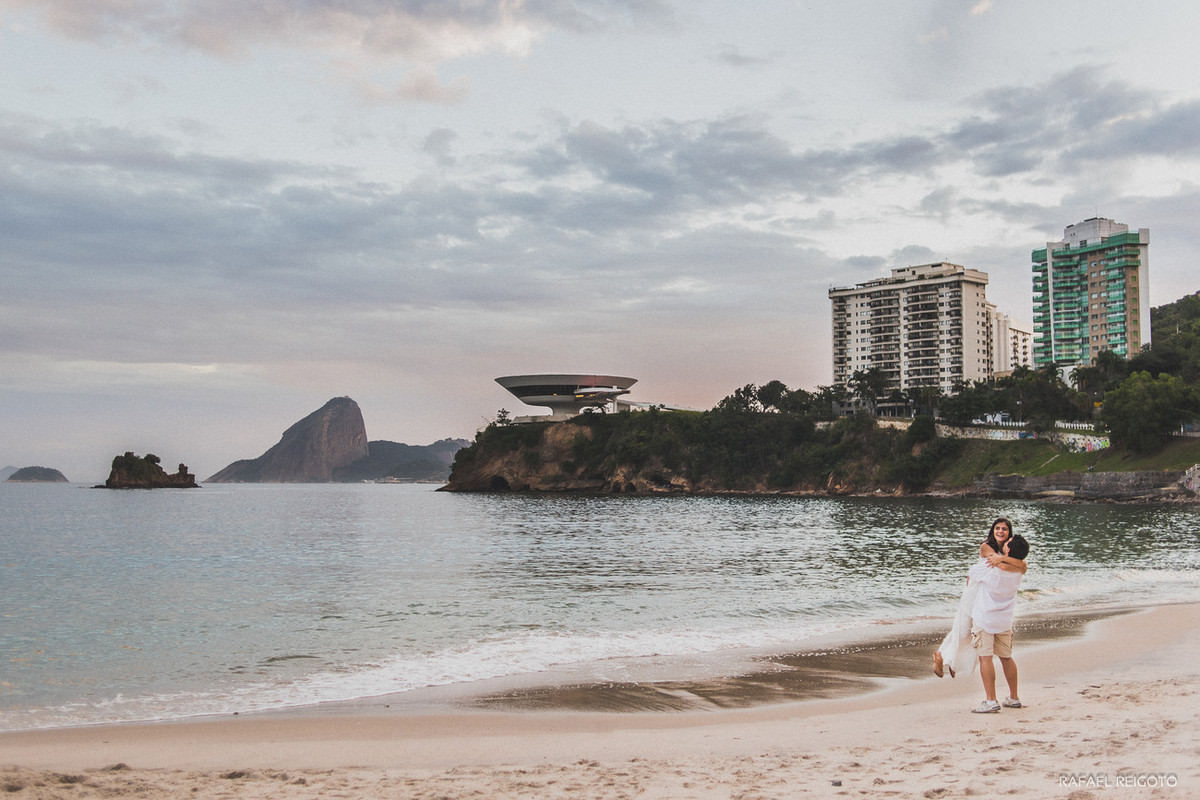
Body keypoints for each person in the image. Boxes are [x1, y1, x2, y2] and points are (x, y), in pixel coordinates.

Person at [931, 518, 1027, 680]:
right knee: (963, 628)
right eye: (997, 528)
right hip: (975, 592)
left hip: (987, 592)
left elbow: (1021, 566)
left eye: (1004, 529)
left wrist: (1004, 559)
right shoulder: (986, 546)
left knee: (975, 633)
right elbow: (1008, 566)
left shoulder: (1008, 550)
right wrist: (1008, 561)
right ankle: (943, 656)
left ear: (1009, 533)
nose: (1001, 532)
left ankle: (953, 663)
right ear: (992, 530)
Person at [969, 532, 1029, 713]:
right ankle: (1013, 697)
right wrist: (1005, 559)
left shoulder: (991, 567)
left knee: (985, 658)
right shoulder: (1018, 571)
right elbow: (1022, 565)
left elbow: (972, 573)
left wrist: (997, 558)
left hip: (985, 618)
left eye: (1008, 542)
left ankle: (990, 700)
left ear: (1008, 548)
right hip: (1004, 620)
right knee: (1006, 657)